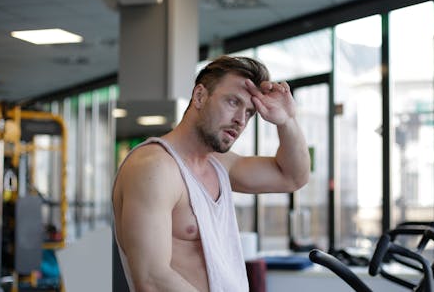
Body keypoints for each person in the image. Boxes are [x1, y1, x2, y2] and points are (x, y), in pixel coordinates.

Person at [112, 55, 311, 292]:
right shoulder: (154, 167)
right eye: (233, 102)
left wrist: (287, 121)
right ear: (199, 96)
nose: (240, 120)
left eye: (249, 112)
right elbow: (152, 279)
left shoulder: (219, 165)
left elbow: (292, 177)